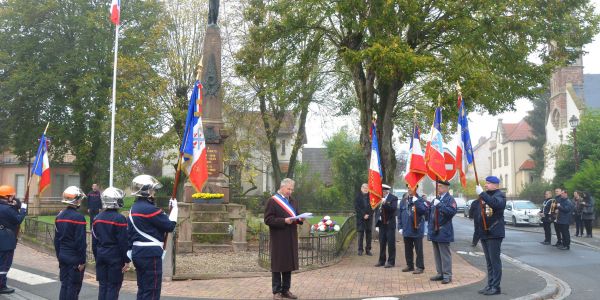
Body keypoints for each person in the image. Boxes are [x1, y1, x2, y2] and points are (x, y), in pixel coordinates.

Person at [128, 175, 177, 300]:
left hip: (138, 253)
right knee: (152, 291)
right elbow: (169, 226)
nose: (154, 192)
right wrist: (175, 210)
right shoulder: (150, 209)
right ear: (147, 192)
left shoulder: (133, 208)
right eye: (152, 190)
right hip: (150, 255)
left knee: (143, 289)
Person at [264, 178, 304, 300]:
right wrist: (283, 221)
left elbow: (296, 215)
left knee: (287, 264)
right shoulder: (273, 201)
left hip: (291, 236)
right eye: (288, 189)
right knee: (277, 264)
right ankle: (276, 291)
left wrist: (300, 219)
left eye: (292, 189)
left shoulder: (293, 201)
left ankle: (286, 290)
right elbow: (268, 220)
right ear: (282, 187)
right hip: (278, 237)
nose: (290, 191)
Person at [92, 187, 130, 300]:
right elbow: (123, 242)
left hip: (101, 255)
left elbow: (94, 241)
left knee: (103, 287)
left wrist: (97, 256)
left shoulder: (97, 218)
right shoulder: (120, 218)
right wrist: (126, 260)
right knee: (113, 287)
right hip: (115, 257)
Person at [473, 176, 506, 296]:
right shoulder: (485, 195)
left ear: (496, 185)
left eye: (488, 183)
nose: (486, 185)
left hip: (494, 233)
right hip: (485, 232)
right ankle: (490, 284)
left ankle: (496, 287)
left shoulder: (500, 195)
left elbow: (496, 205)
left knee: (494, 261)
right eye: (485, 183)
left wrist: (482, 193)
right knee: (489, 262)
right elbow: (477, 213)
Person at [54, 186, 87, 300]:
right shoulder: (79, 217)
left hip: (63, 254)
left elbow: (56, 239)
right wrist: (82, 261)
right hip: (74, 257)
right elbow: (80, 242)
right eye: (79, 199)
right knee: (73, 287)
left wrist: (59, 256)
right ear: (76, 200)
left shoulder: (59, 216)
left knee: (64, 285)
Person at [427, 180, 457, 284]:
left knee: (445, 254)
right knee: (437, 254)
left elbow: (451, 212)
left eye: (440, 186)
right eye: (438, 186)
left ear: (446, 188)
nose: (438, 188)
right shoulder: (436, 199)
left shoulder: (450, 199)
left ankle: (447, 275)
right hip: (435, 230)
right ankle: (440, 273)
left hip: (444, 230)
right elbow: (430, 214)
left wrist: (440, 205)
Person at [0, 185, 28, 294]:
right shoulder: (7, 208)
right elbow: (18, 219)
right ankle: (1, 285)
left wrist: (15, 204)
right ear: (7, 197)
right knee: (4, 264)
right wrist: (24, 209)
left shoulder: (6, 206)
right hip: (5, 239)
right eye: (12, 196)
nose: (13, 197)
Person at [397, 186, 428, 274]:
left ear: (416, 188)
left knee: (418, 250)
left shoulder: (420, 200)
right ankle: (410, 265)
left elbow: (424, 211)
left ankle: (420, 267)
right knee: (408, 249)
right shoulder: (404, 201)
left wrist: (416, 202)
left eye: (411, 188)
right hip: (406, 229)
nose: (409, 189)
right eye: (408, 188)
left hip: (416, 229)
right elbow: (399, 215)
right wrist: (400, 227)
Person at [374, 184, 398, 268]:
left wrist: (385, 203)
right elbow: (377, 210)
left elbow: (393, 209)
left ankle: (391, 262)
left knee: (391, 243)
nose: (382, 193)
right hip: (381, 224)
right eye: (381, 191)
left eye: (383, 191)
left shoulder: (393, 198)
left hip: (389, 224)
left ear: (386, 191)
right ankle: (381, 260)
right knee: (382, 243)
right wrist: (377, 221)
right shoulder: (379, 198)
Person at [354, 183, 373, 256]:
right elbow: (357, 208)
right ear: (361, 188)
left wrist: (368, 214)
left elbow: (373, 207)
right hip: (361, 219)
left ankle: (368, 250)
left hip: (369, 218)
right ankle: (360, 250)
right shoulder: (357, 197)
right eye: (364, 188)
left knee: (369, 235)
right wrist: (363, 215)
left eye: (367, 188)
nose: (366, 189)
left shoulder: (371, 197)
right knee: (360, 235)